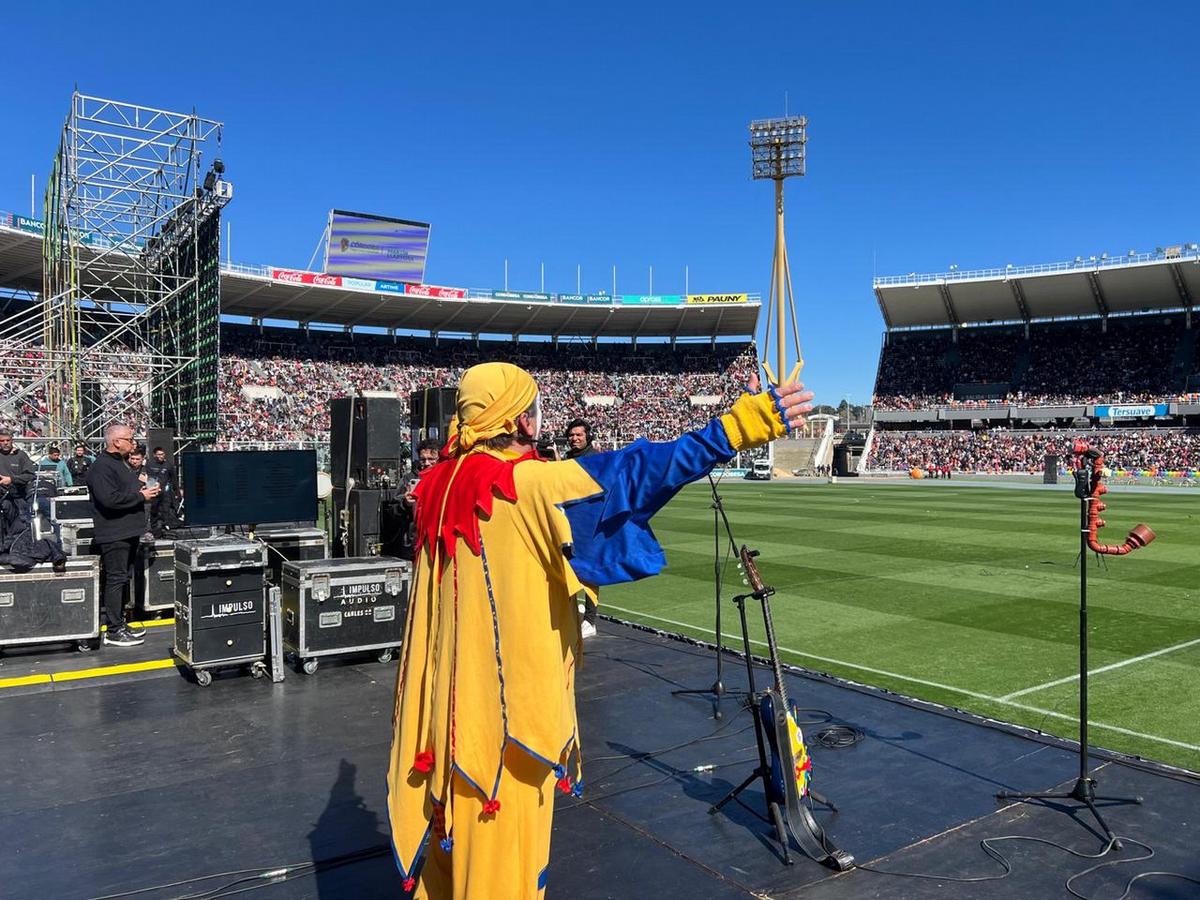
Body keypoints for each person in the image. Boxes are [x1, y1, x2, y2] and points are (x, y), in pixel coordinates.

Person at [386, 362, 812, 899]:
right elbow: (637, 472)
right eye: (535, 408)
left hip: (439, 723)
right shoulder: (526, 485)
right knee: (500, 871)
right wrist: (736, 427)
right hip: (501, 729)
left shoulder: (435, 486)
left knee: (452, 862)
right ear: (518, 419)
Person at [87, 425, 160, 648]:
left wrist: (143, 490)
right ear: (117, 442)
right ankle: (113, 629)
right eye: (130, 439)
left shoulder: (120, 463)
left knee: (122, 578)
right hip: (114, 532)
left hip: (128, 531)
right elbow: (109, 499)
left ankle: (119, 623)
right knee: (116, 579)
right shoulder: (101, 466)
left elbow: (124, 490)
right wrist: (141, 495)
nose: (133, 443)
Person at [144, 446, 181, 535]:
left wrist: (177, 492)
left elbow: (174, 479)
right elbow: (148, 477)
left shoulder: (168, 465)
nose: (161, 456)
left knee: (166, 508)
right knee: (154, 509)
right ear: (154, 455)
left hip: (166, 490)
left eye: (162, 454)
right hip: (154, 490)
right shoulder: (150, 464)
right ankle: (154, 527)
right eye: (159, 454)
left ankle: (166, 525)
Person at [0, 430, 36, 506]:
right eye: (2, 441)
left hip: (18, 497)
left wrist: (11, 479)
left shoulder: (21, 455)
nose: (5, 443)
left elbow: (30, 475)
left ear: (12, 441)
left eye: (8, 440)